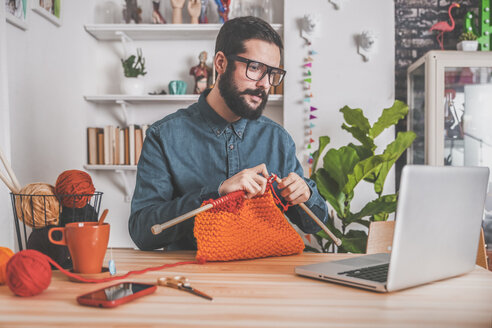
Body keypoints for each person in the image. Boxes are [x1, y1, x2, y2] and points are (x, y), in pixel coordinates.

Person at [129, 16, 328, 251]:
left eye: (272, 73)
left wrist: (305, 194)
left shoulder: (278, 140)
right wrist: (216, 194)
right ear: (221, 63)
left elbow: (314, 225)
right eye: (254, 68)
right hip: (191, 277)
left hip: (267, 277)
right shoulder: (164, 136)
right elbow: (143, 232)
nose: (265, 84)